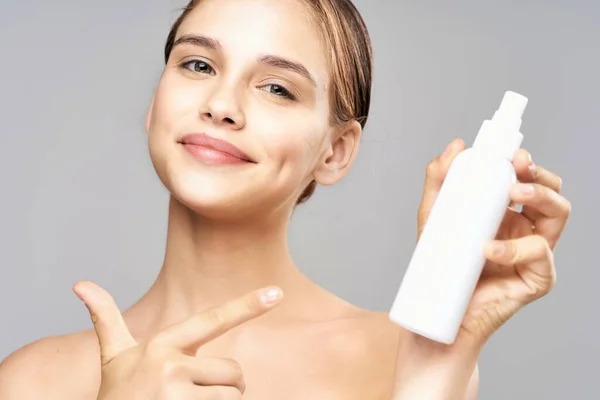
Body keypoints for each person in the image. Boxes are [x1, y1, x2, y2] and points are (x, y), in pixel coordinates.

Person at [0, 0, 571, 398]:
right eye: (198, 64)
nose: (222, 105)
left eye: (277, 87)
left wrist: (444, 356)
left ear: (335, 152)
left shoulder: (401, 358)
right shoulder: (32, 381)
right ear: (155, 105)